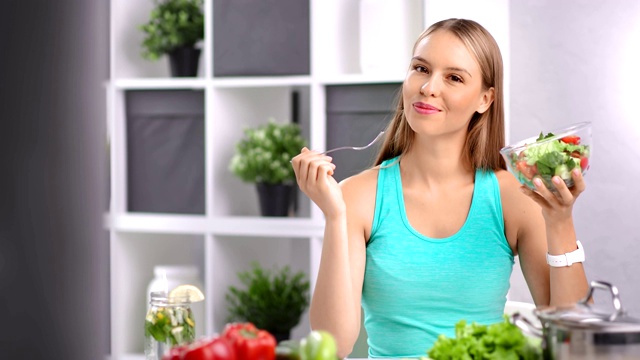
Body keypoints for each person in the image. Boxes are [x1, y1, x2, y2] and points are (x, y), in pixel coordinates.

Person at [292, 18, 589, 358]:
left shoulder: (513, 197)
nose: (429, 87)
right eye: (421, 68)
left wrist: (560, 221)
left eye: (454, 77)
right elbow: (334, 346)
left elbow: (573, 344)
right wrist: (334, 216)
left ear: (485, 99)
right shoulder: (358, 196)